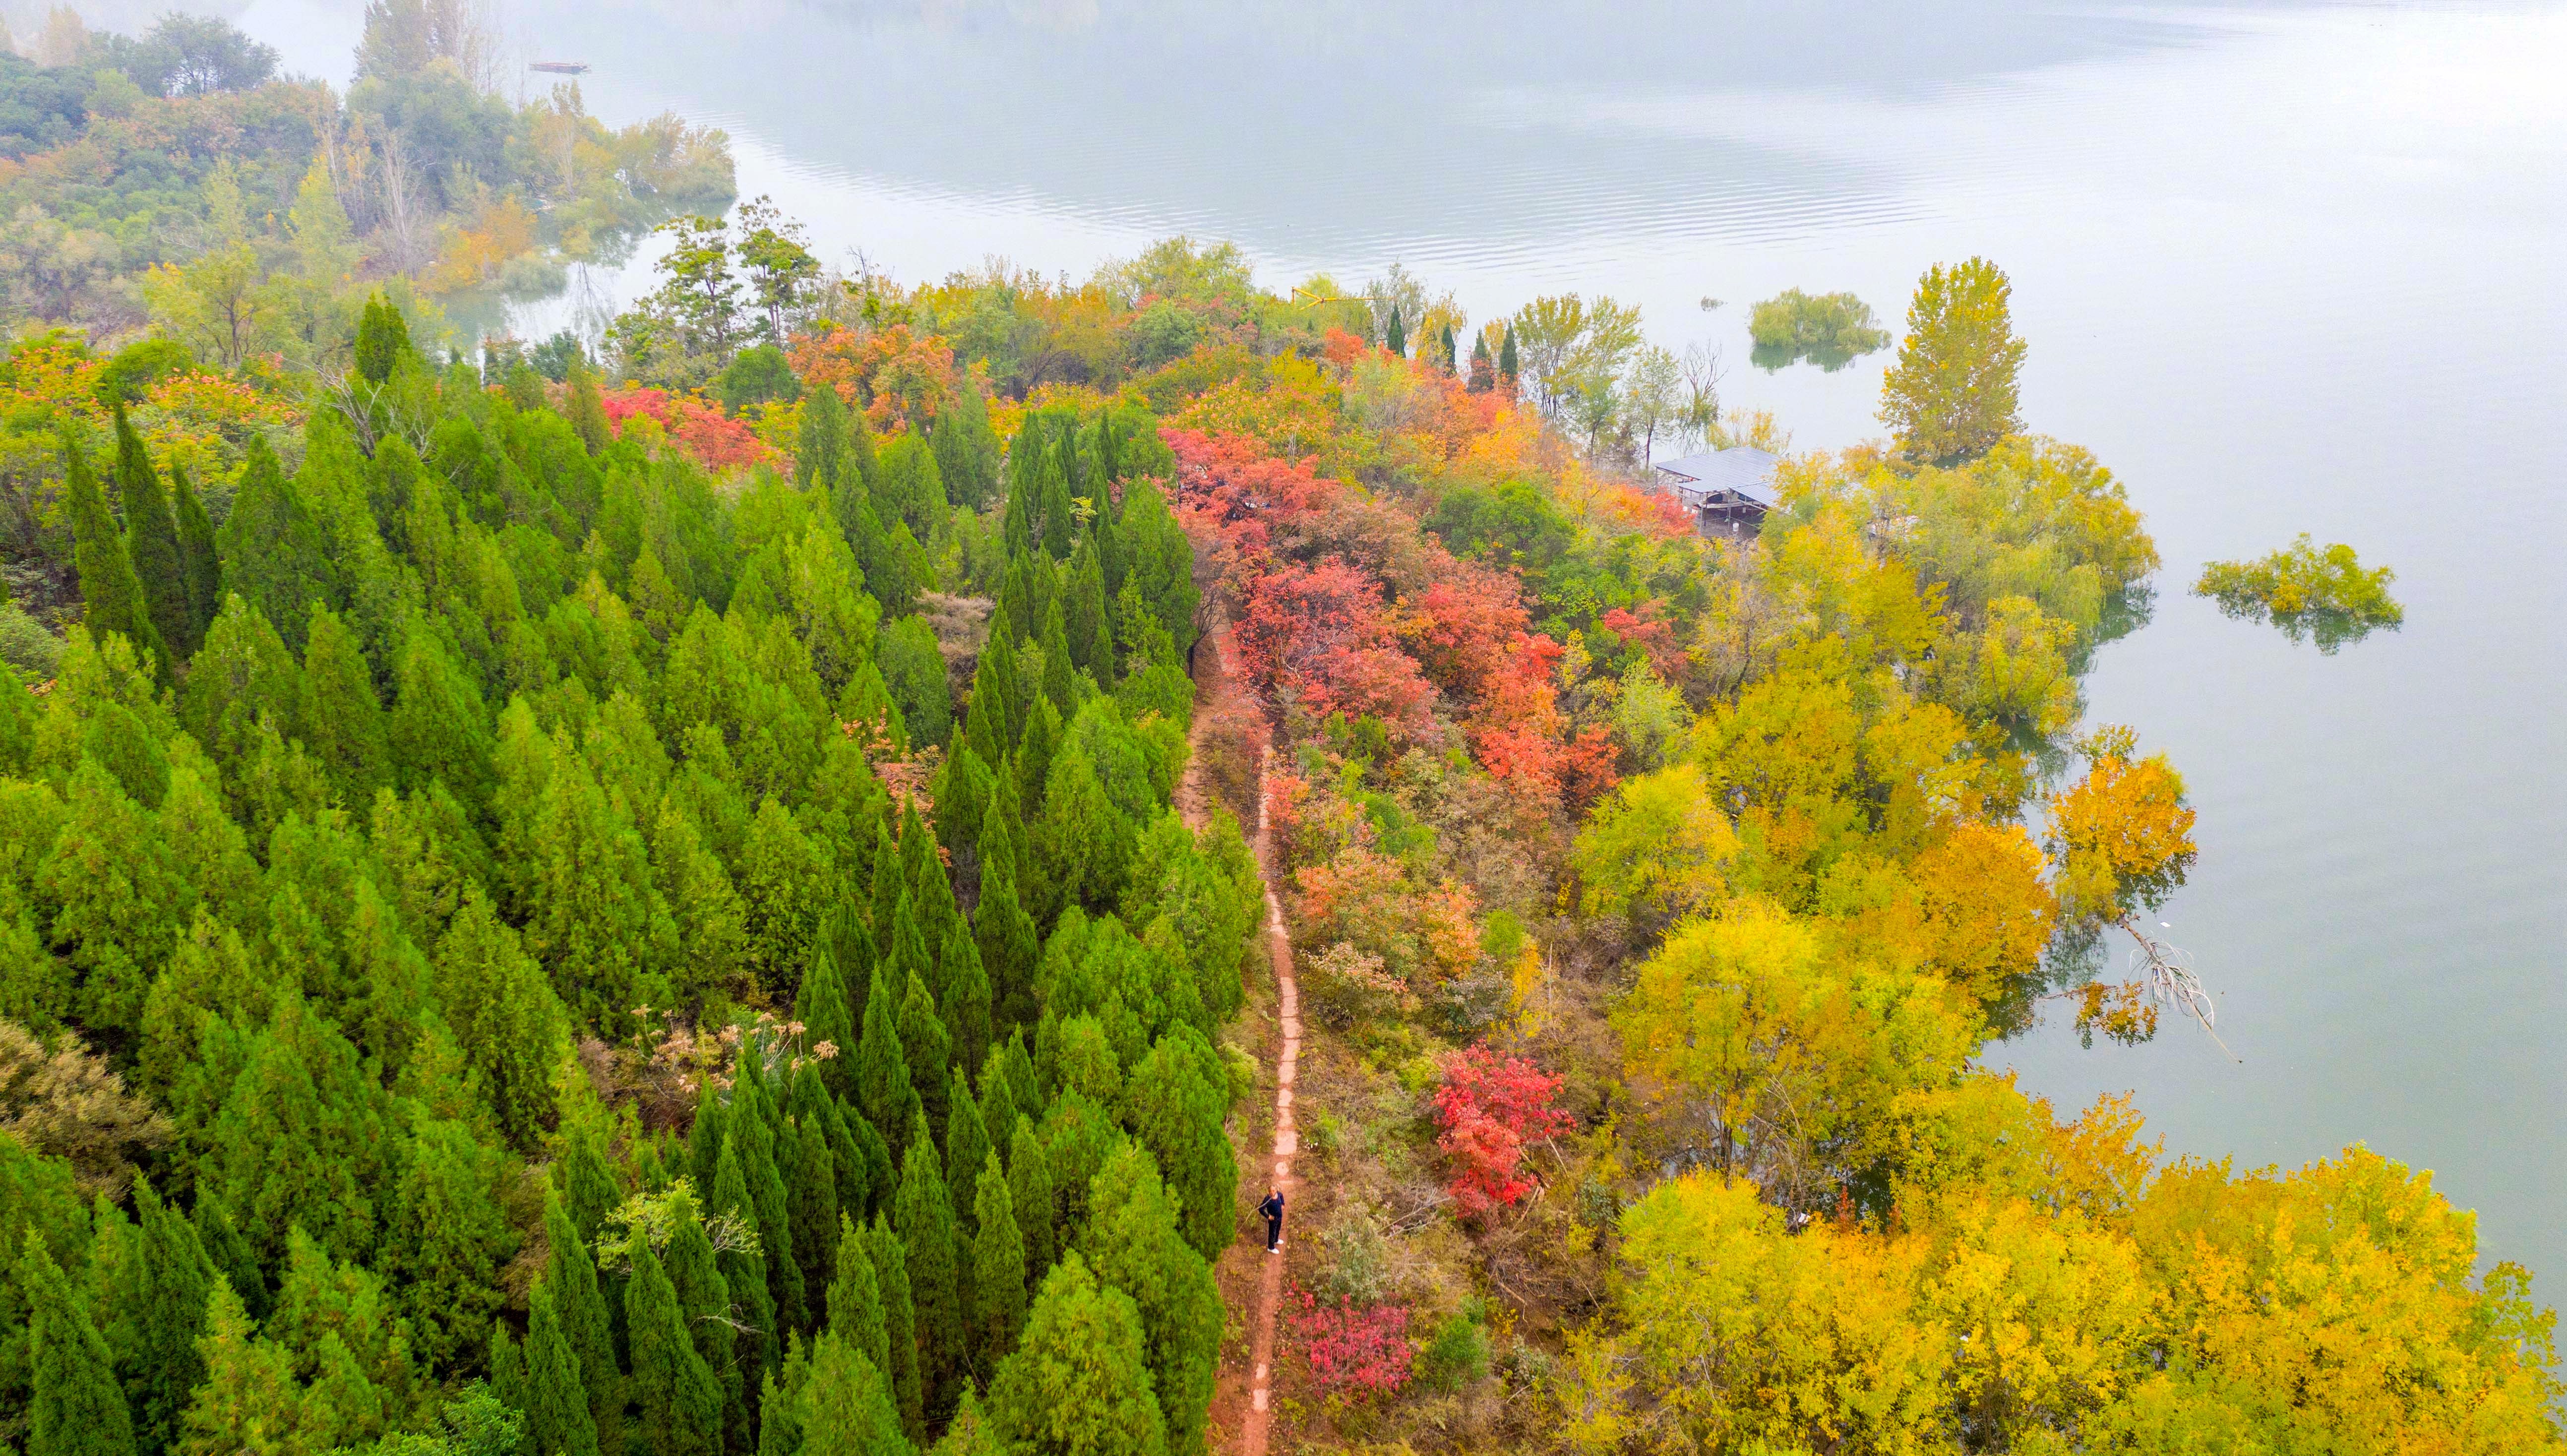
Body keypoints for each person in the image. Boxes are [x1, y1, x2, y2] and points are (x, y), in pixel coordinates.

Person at [1259, 1188, 1284, 1252]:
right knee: (1272, 1233)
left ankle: (1276, 1240)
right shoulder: (1268, 1199)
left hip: (1279, 1217)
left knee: (1278, 1230)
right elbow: (1261, 1209)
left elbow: (1281, 1196)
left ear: (1276, 1190)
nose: (1272, 1193)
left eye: (1274, 1191)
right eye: (1270, 1191)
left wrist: (1283, 1204)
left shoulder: (1279, 1194)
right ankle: (1271, 1248)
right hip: (1273, 1220)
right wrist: (1268, 1216)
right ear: (1268, 1192)